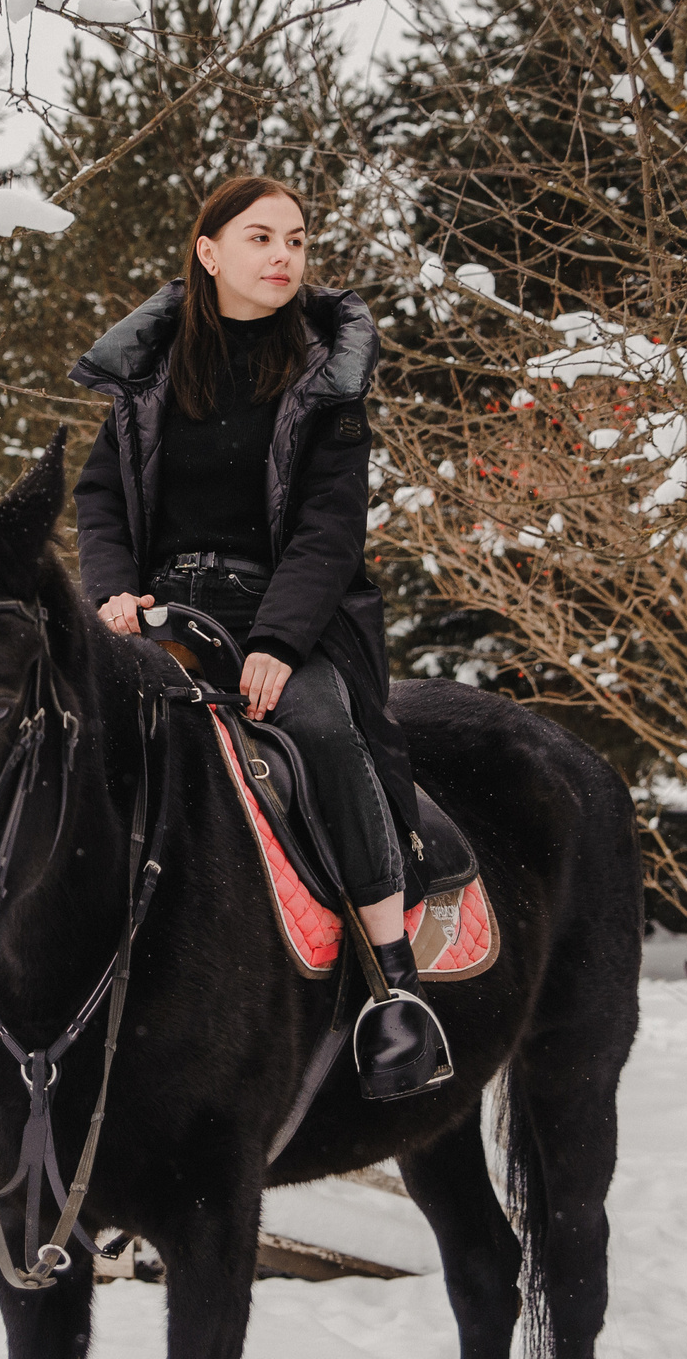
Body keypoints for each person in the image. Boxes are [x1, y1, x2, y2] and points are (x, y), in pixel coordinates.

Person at [68, 173, 452, 1101]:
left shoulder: (328, 378)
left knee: (320, 730)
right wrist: (114, 592)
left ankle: (393, 987)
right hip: (160, 616)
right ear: (208, 253)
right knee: (74, 735)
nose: (284, 256)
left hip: (290, 616)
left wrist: (279, 643)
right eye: (260, 238)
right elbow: (101, 499)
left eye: (296, 240)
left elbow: (330, 526)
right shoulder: (148, 375)